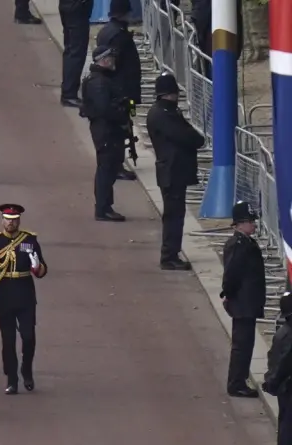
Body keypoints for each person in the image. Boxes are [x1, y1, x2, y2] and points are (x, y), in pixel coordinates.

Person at [0, 203, 48, 393]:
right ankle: (12, 379)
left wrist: (36, 265)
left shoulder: (29, 240)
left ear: (19, 221)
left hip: (24, 293)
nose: (11, 224)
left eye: (14, 220)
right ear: (2, 221)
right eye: (8, 220)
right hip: (4, 293)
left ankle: (27, 369)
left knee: (28, 337)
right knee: (8, 340)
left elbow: (42, 271)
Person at [146, 72, 205, 272]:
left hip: (174, 170)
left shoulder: (165, 112)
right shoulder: (163, 115)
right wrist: (196, 138)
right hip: (172, 172)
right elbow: (187, 136)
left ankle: (172, 252)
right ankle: (169, 255)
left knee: (175, 215)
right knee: (173, 216)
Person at [221, 201, 267, 399]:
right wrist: (228, 295)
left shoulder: (245, 242)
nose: (254, 225)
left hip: (247, 302)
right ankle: (236, 383)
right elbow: (232, 274)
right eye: (250, 221)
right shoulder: (238, 245)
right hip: (243, 303)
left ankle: (239, 380)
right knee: (242, 345)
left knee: (246, 344)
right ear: (240, 224)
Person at [93, 0, 143, 181]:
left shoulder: (107, 31)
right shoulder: (120, 36)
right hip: (124, 91)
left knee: (123, 125)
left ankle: (117, 162)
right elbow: (121, 64)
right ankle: (118, 164)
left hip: (120, 89)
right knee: (123, 125)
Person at [81, 48, 131, 221]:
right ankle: (103, 208)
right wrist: (121, 116)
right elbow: (104, 109)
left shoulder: (101, 79)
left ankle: (105, 206)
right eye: (110, 58)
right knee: (106, 170)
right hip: (106, 131)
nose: (113, 60)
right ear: (103, 60)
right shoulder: (99, 82)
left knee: (109, 168)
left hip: (108, 130)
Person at [260, 292, 292, 445]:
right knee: (288, 422)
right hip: (287, 386)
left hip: (284, 385)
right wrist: (273, 381)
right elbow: (283, 364)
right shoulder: (289, 336)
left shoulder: (284, 332)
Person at [58, 0, 90, 107]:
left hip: (69, 7)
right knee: (76, 52)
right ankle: (69, 94)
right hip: (76, 9)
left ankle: (68, 90)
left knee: (71, 49)